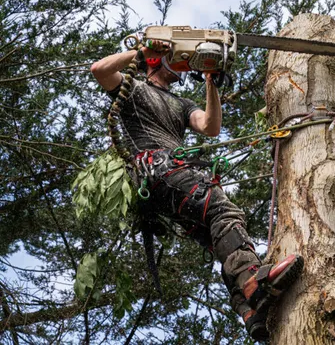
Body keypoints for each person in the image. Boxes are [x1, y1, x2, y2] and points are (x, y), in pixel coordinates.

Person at [91, 40, 303, 342]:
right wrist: (141, 52)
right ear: (154, 62)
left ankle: (251, 312)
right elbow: (99, 70)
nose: (180, 65)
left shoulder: (181, 103)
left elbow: (209, 126)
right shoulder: (133, 88)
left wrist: (210, 82)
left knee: (221, 240)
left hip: (168, 180)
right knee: (223, 210)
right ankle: (253, 283)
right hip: (159, 170)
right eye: (171, 59)